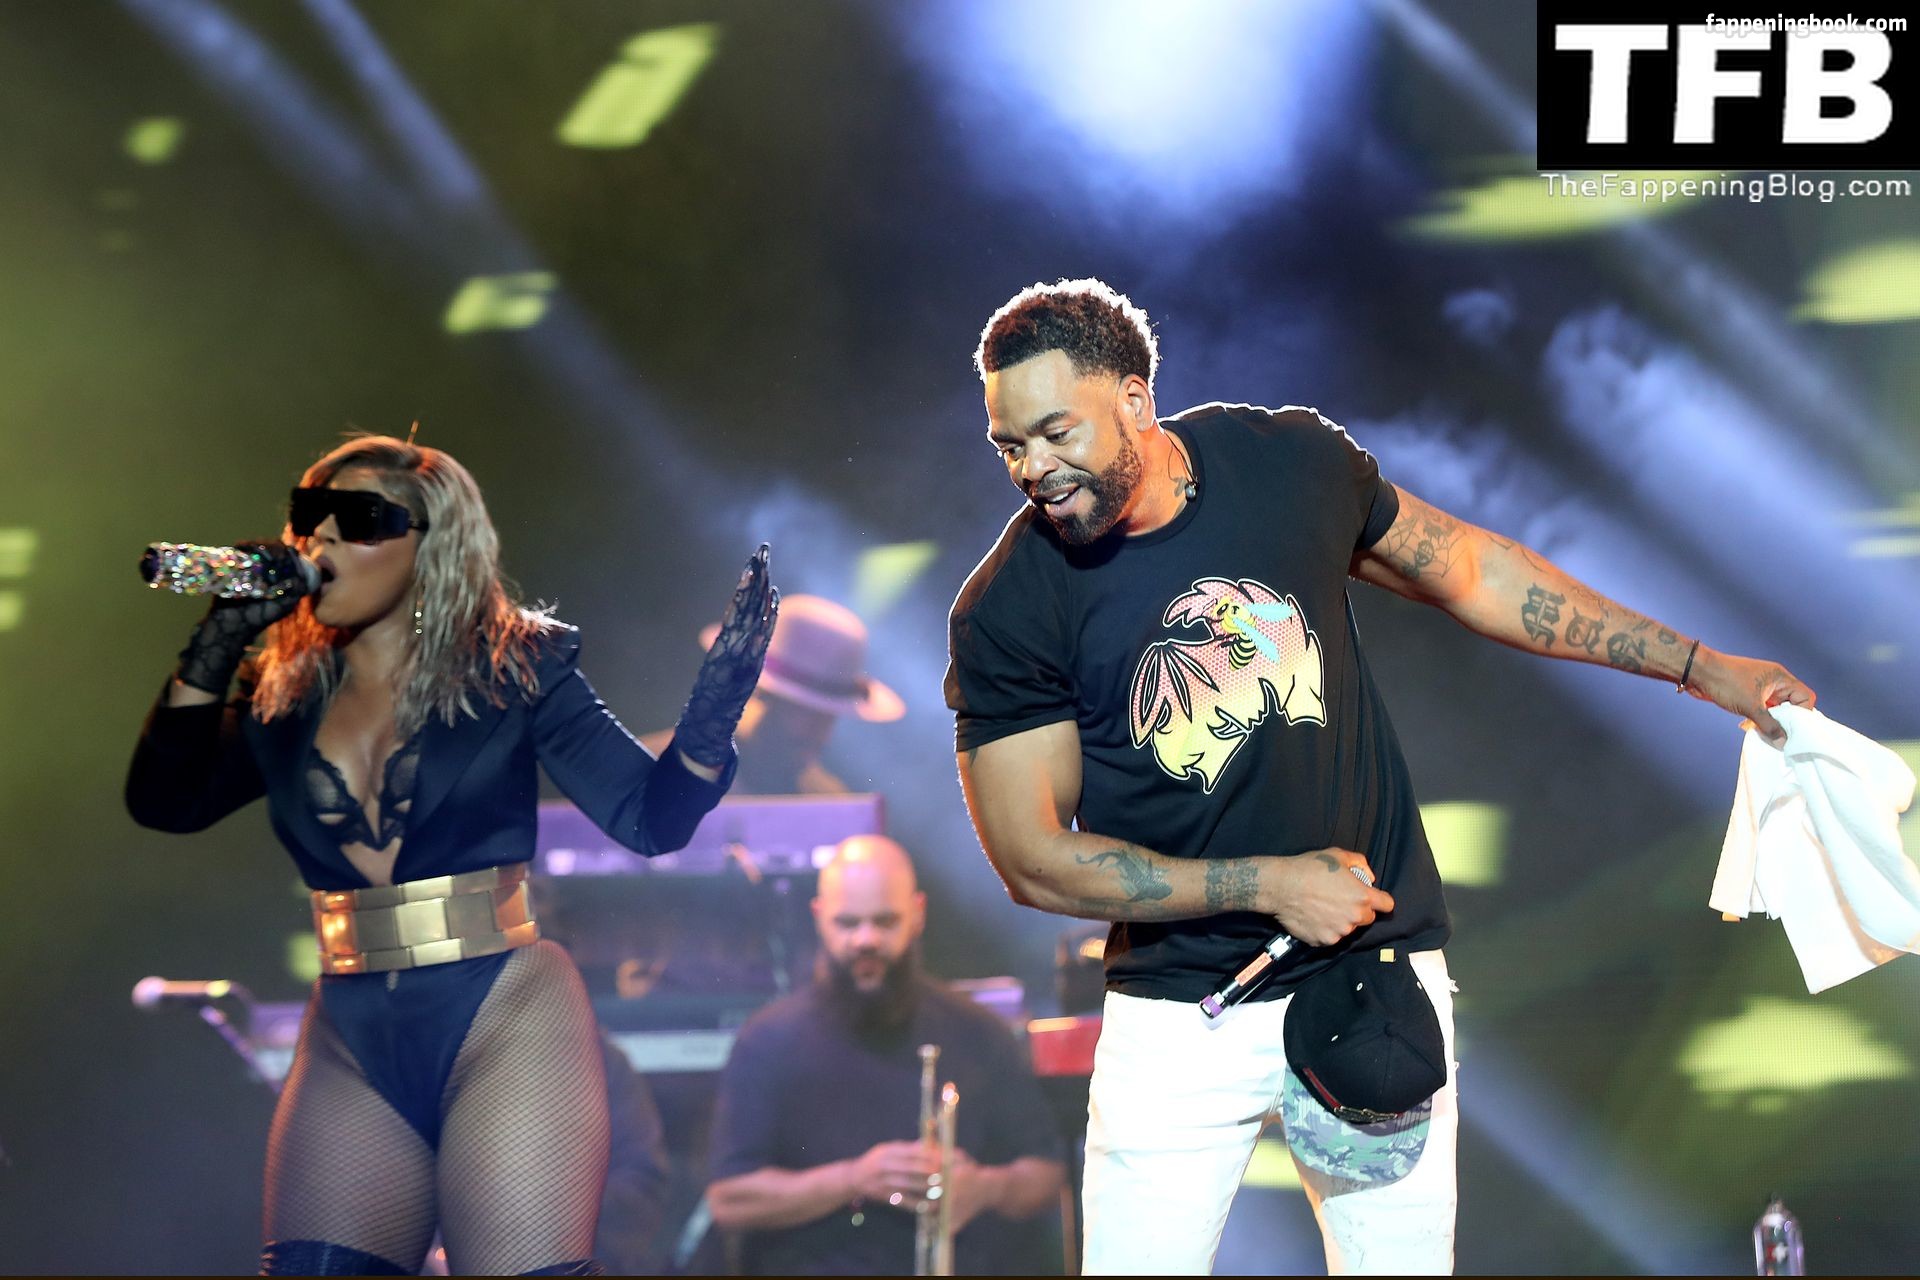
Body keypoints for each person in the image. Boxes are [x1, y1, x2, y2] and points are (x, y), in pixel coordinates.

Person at [943, 279, 1816, 1275]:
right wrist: (1269, 884)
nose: (1034, 468)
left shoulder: (1286, 462)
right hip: (1179, 1015)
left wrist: (1700, 667)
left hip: (1370, 982)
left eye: (1055, 432)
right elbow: (1032, 858)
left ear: (1134, 399)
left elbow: (1476, 572)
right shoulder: (1008, 608)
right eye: (1010, 446)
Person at [125, 434, 777, 1276]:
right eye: (310, 514)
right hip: (351, 1025)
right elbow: (166, 803)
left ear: (432, 546)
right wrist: (213, 648)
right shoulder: (282, 690)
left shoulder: (515, 667)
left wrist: (712, 718)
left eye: (360, 518)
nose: (322, 536)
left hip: (501, 1012)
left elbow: (651, 821)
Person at [704, 835, 1066, 1275]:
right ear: (818, 918)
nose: (866, 939)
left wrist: (985, 1187)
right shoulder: (767, 1041)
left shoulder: (978, 1031)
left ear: (918, 914)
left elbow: (1046, 1175)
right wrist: (856, 1178)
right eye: (847, 923)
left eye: (885, 921)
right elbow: (728, 1200)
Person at [642, 594, 904, 796]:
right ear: (757, 693)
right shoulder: (651, 769)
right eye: (807, 711)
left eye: (831, 716)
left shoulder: (830, 800)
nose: (819, 733)